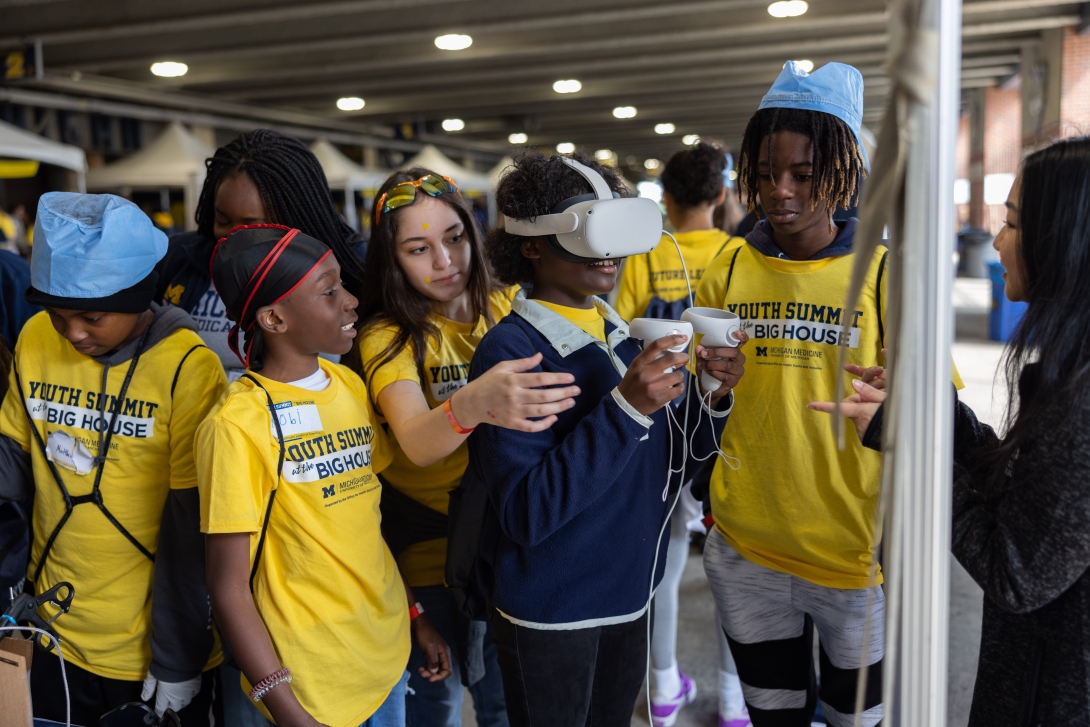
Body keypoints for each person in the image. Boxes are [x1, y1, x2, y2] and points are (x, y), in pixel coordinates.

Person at [692, 62, 964, 727]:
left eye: (804, 174)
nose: (779, 191)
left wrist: (909, 398)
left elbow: (947, 423)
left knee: (854, 720)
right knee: (773, 716)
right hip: (747, 548)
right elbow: (705, 404)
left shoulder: (885, 275)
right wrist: (711, 387)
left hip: (854, 561)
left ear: (844, 171)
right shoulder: (728, 265)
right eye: (764, 173)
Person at [812, 136, 1090, 726]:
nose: (997, 241)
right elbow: (1021, 498)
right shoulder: (1068, 376)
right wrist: (932, 411)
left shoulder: (1083, 402)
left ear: (1064, 240)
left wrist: (910, 451)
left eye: (1012, 223)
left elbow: (1016, 571)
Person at [469, 148, 745, 727]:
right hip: (555, 612)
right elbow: (526, 512)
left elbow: (672, 469)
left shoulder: (622, 337)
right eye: (591, 226)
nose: (612, 250)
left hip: (629, 594)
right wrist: (627, 404)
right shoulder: (510, 353)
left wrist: (711, 395)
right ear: (531, 244)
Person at [198, 224, 453, 727]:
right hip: (308, 687)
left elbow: (365, 525)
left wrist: (413, 617)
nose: (353, 301)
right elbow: (227, 588)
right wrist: (288, 711)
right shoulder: (235, 426)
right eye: (330, 291)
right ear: (273, 317)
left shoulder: (347, 384)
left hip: (382, 661)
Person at [354, 169, 581, 726]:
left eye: (455, 238)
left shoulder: (511, 308)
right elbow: (415, 442)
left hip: (510, 546)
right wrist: (474, 403)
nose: (444, 260)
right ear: (391, 259)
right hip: (432, 559)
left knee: (510, 704)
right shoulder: (389, 335)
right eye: (418, 248)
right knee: (438, 703)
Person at [0, 193, 227, 725]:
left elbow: (193, 526)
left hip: (152, 650)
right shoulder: (36, 338)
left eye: (92, 316)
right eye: (57, 315)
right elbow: (10, 470)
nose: (73, 333)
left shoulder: (188, 366)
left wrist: (177, 657)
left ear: (139, 296)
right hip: (51, 635)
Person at [615, 142, 748, 727]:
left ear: (665, 199)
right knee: (734, 565)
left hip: (663, 426)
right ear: (721, 196)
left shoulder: (646, 253)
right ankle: (737, 699)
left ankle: (664, 687)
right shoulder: (739, 254)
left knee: (665, 563)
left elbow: (619, 333)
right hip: (722, 426)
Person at [155, 129, 366, 382]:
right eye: (222, 220)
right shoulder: (181, 257)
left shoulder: (352, 267)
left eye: (251, 225)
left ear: (294, 216)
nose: (233, 237)